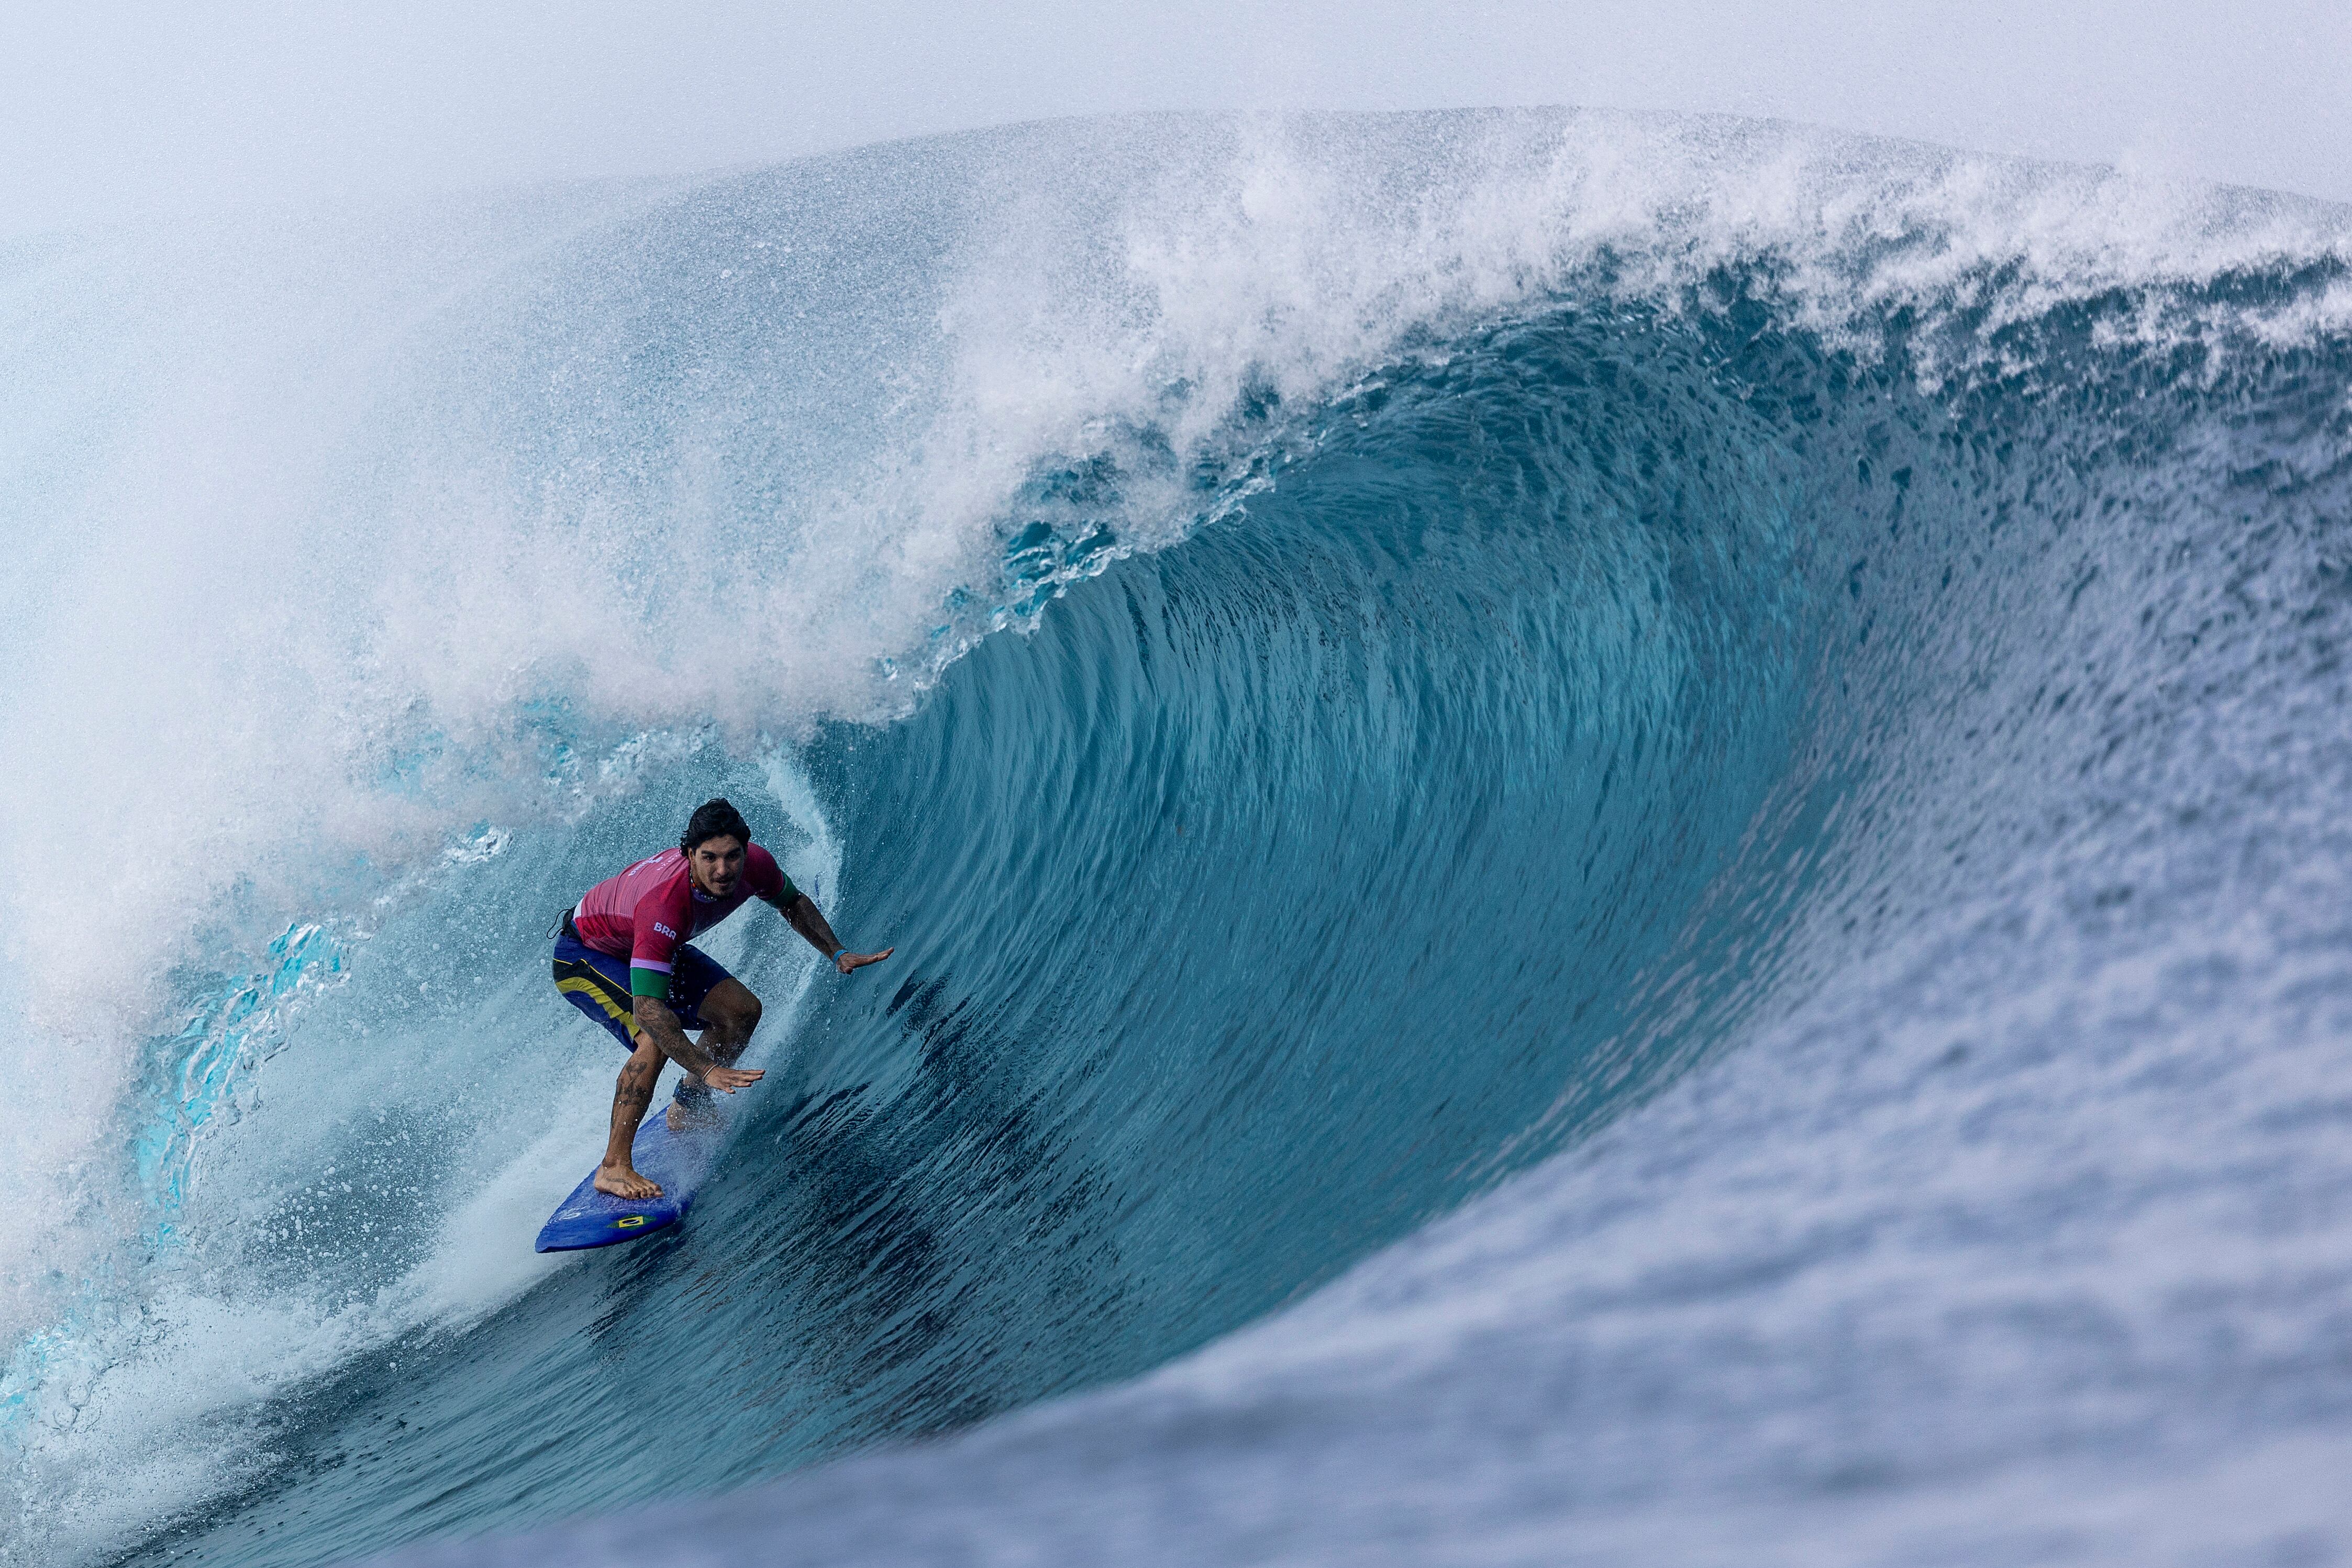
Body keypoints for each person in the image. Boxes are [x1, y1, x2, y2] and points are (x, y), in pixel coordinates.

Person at [552, 797, 892, 1199]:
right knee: (656, 1036)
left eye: (733, 856)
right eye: (709, 857)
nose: (723, 870)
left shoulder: (756, 866)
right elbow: (647, 1009)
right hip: (586, 954)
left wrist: (836, 951)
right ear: (689, 855)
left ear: (746, 852)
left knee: (741, 1012)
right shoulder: (664, 903)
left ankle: (688, 1106)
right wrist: (708, 1066)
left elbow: (793, 903)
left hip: (642, 944)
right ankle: (613, 1167)